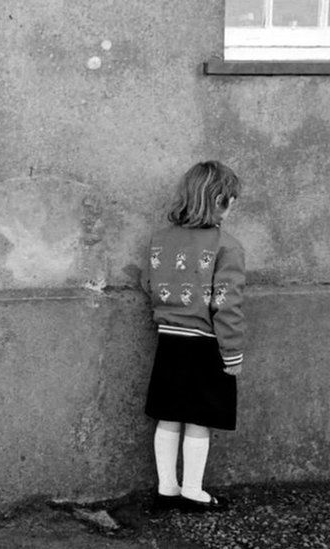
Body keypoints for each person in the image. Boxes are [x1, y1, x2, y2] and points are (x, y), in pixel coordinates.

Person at [141, 160, 246, 512]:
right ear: (219, 200)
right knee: (199, 420)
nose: (232, 207)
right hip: (205, 344)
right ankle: (193, 490)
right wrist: (232, 354)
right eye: (230, 200)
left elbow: (147, 283)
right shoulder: (227, 246)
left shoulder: (160, 239)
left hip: (169, 341)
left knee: (168, 415)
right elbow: (227, 305)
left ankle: (166, 488)